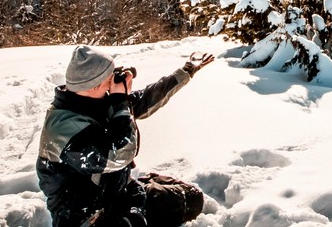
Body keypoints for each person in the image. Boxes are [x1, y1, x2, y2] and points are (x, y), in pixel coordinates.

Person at [37, 45, 215, 227]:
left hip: (117, 193)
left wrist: (187, 71)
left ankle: (144, 188)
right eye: (110, 77)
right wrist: (120, 101)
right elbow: (120, 153)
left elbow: (146, 99)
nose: (114, 81)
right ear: (95, 84)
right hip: (89, 217)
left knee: (192, 198)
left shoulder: (93, 100)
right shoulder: (64, 131)